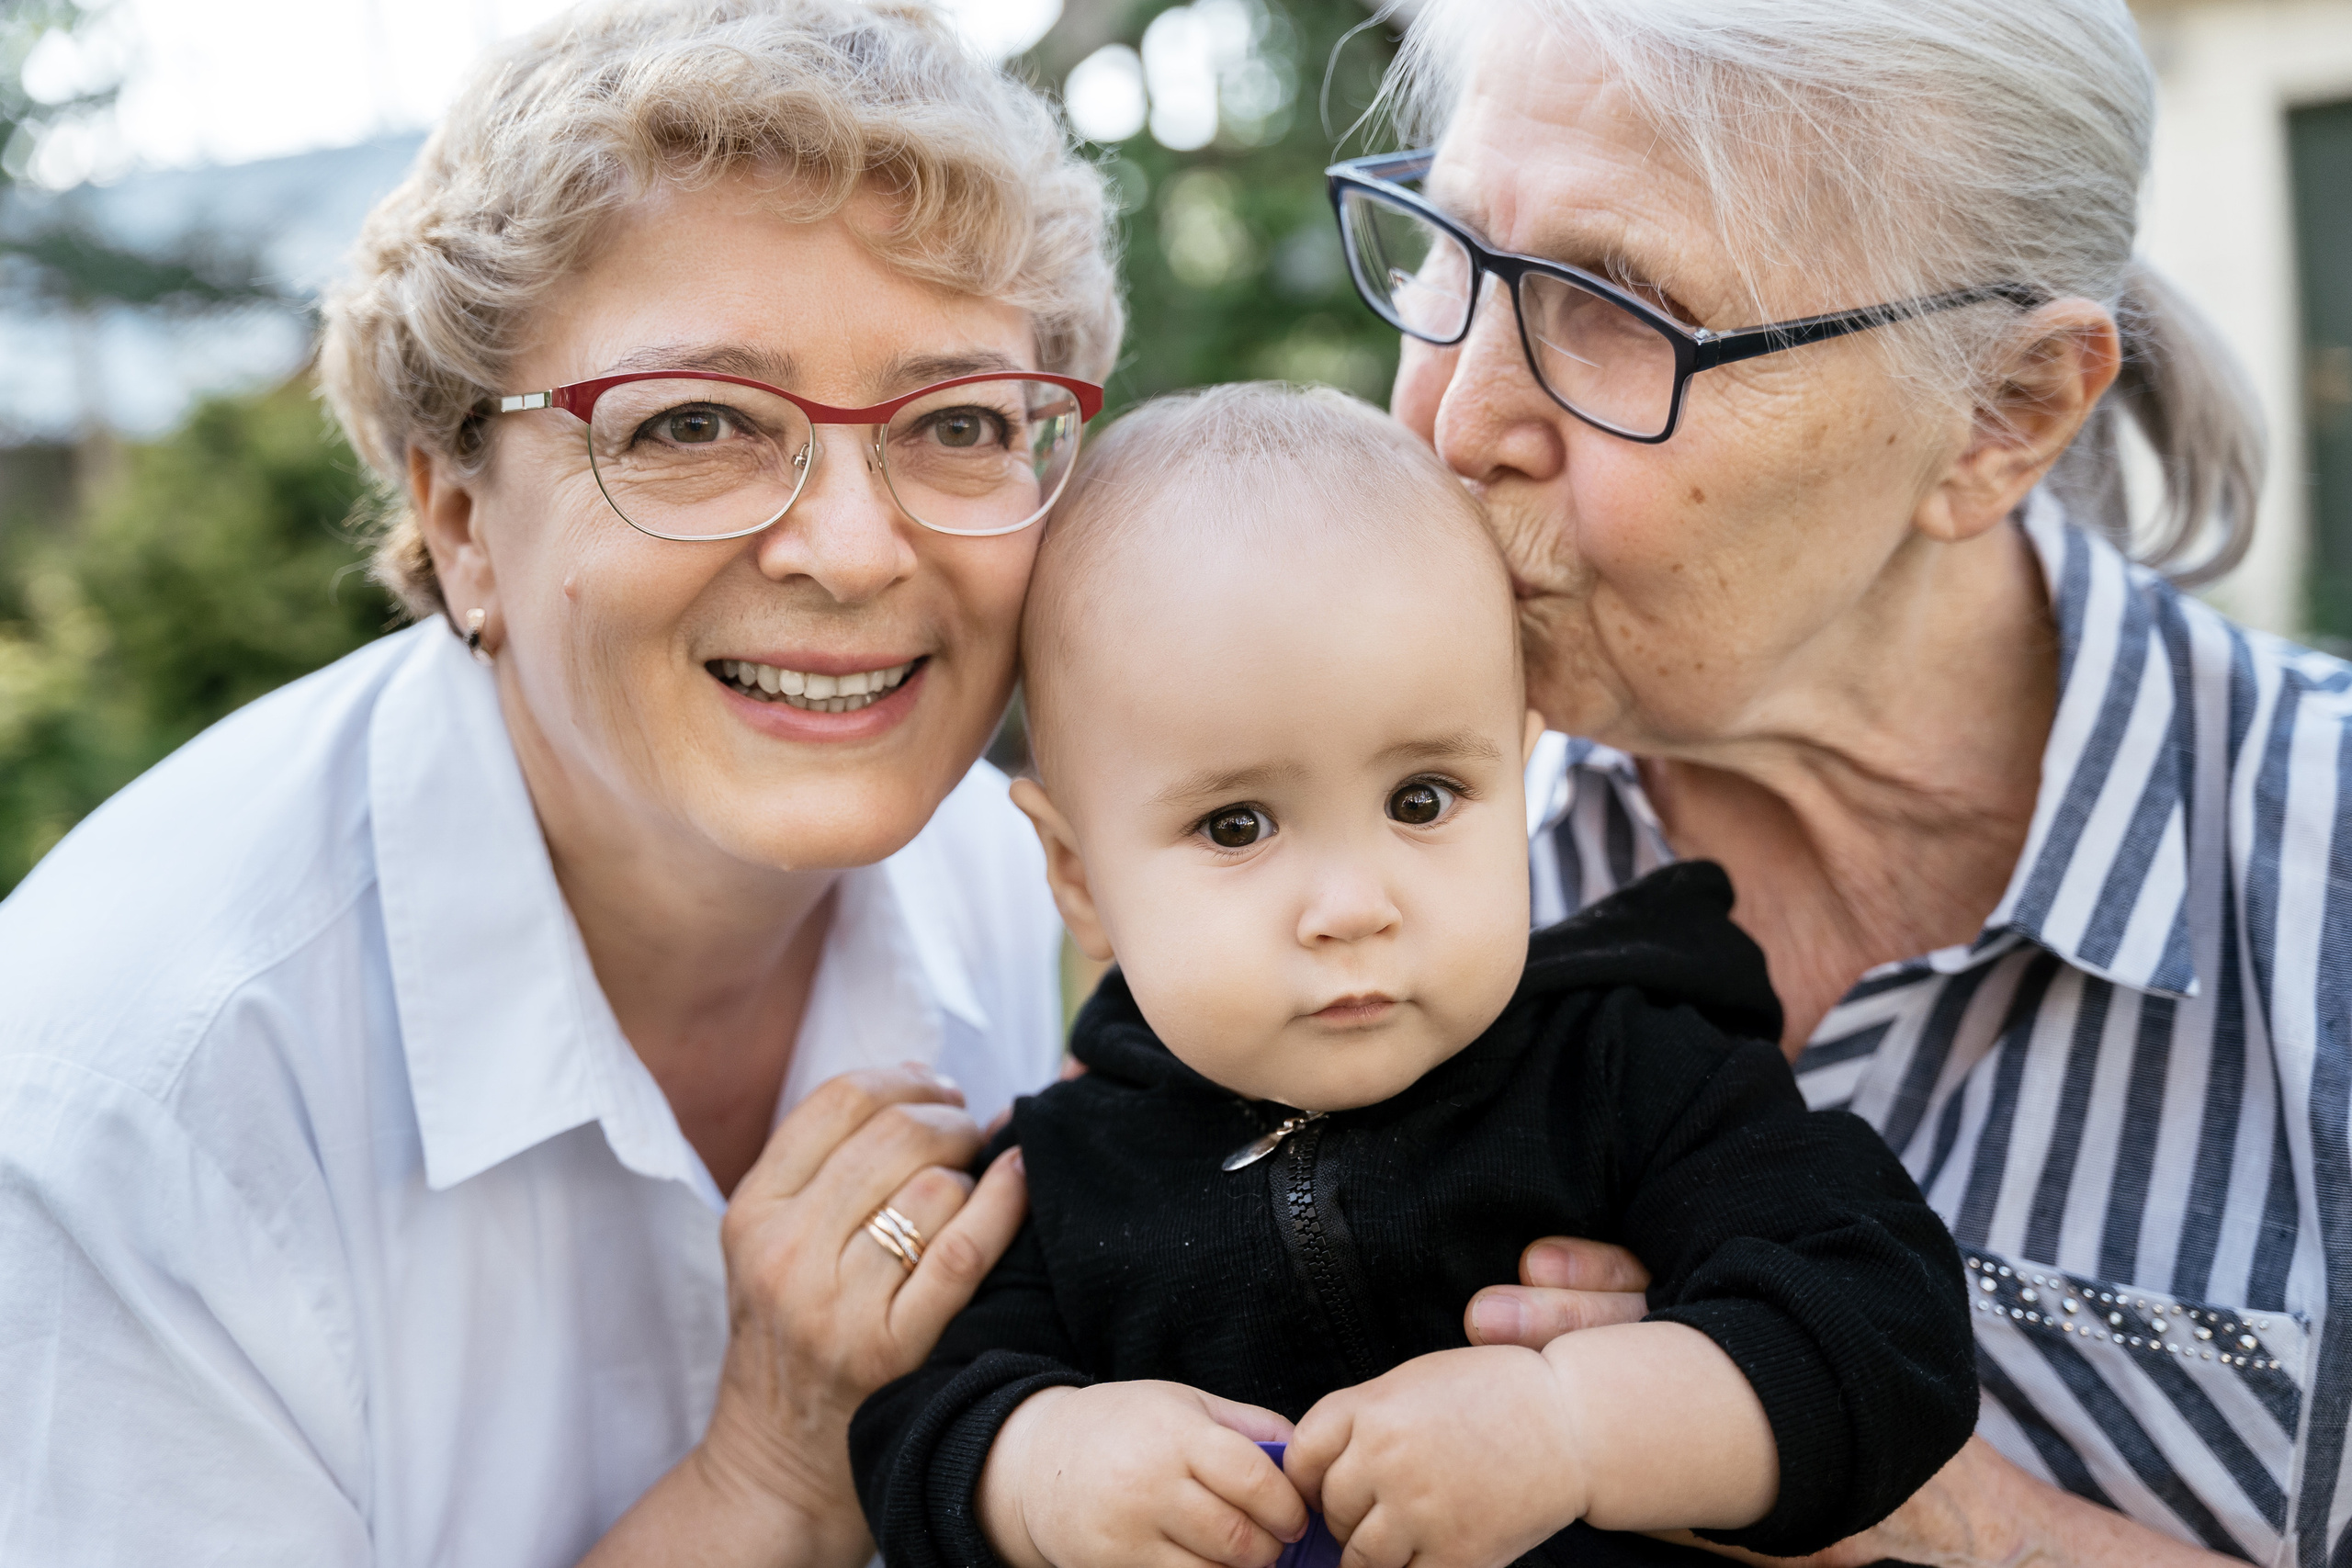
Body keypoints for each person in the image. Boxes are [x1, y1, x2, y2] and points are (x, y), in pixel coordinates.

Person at [0, 3, 1124, 1563]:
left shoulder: (1009, 879)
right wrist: (771, 1475)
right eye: (695, 425)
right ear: (462, 519)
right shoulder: (135, 1109)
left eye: (955, 425)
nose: (858, 550)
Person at [1337, 2, 2352, 1565]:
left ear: (2002, 418)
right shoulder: (1376, 865)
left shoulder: (2320, 880)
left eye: (1619, 306)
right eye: (1450, 256)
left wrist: (1913, 1509)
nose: (1455, 421)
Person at [851, 384, 1978, 1568]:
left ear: (1522, 772)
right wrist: (1046, 1466)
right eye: (1237, 827)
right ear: (1079, 877)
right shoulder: (1072, 1166)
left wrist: (1577, 1428)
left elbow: (1885, 1325)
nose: (1352, 907)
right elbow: (914, 1433)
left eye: (1423, 800)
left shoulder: (1622, 1072)